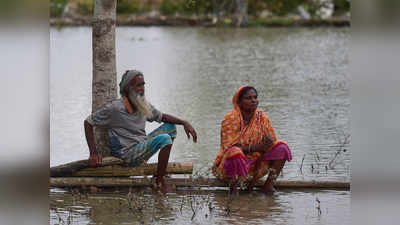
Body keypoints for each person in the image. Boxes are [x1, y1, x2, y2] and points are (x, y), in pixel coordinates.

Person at [84, 70, 197, 193]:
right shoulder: (115, 108)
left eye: (143, 84)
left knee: (171, 127)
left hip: (141, 146)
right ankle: (159, 182)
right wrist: (93, 152)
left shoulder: (141, 104)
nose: (142, 88)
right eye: (138, 85)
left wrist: (184, 122)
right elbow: (88, 122)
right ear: (128, 88)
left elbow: (162, 117)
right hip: (126, 154)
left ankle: (159, 174)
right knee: (165, 139)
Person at [213, 85, 292, 194]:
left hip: (255, 166)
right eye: (248, 98)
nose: (253, 100)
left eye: (255, 97)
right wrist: (255, 147)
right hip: (229, 169)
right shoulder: (231, 118)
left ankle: (268, 186)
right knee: (235, 152)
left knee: (282, 147)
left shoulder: (261, 117)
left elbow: (270, 143)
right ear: (239, 102)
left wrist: (268, 143)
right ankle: (233, 190)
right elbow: (228, 148)